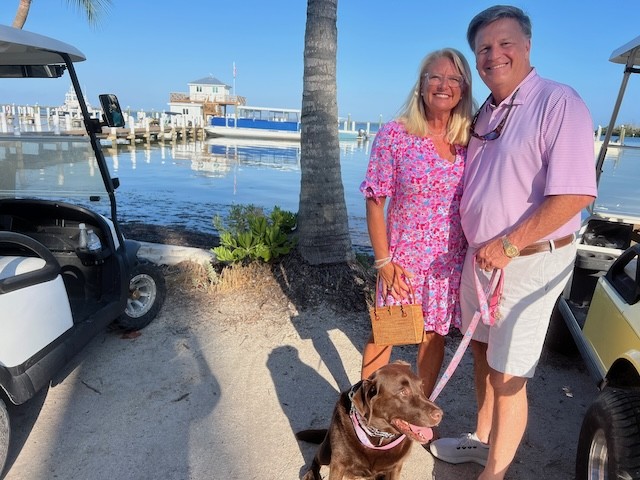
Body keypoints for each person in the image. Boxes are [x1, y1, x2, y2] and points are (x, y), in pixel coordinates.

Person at [428, 6, 598, 480]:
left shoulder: (559, 102)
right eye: (484, 48)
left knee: (508, 374)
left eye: (504, 44)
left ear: (526, 46)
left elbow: (576, 193)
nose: (493, 55)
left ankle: (494, 474)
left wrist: (508, 244)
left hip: (528, 258)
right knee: (482, 352)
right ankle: (481, 442)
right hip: (481, 259)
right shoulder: (486, 112)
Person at [359, 48, 473, 397]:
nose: (443, 85)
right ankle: (366, 409)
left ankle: (420, 408)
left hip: (447, 266)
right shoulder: (395, 135)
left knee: (433, 336)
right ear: (421, 85)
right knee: (386, 336)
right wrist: (383, 262)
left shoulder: (469, 141)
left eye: (453, 79)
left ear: (463, 89)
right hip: (403, 264)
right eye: (435, 76)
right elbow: (375, 201)